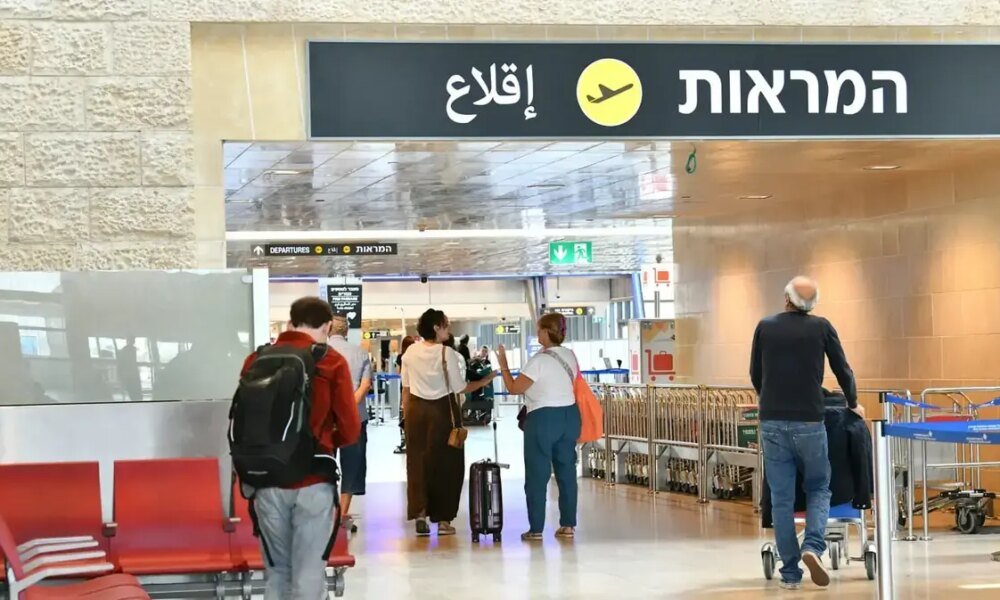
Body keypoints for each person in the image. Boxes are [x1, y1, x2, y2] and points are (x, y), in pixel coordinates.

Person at [241, 297, 360, 600]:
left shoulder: (256, 360)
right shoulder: (332, 362)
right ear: (328, 326)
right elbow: (350, 431)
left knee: (277, 572)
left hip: (266, 480)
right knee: (308, 575)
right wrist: (325, 438)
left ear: (291, 322)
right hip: (313, 482)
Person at [749, 276, 861, 591]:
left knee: (782, 498)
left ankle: (790, 573)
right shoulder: (822, 327)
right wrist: (853, 402)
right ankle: (813, 545)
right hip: (810, 421)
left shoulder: (765, 327)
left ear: (787, 298)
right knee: (819, 487)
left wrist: (767, 399)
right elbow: (843, 369)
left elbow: (755, 372)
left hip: (772, 420)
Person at [401, 309, 493, 537]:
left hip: (416, 412)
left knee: (417, 463)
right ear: (436, 327)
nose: (448, 329)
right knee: (447, 464)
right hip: (443, 413)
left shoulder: (410, 352)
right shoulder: (446, 353)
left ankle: (420, 515)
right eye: (445, 325)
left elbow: (406, 388)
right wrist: (484, 381)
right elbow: (460, 387)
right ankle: (443, 521)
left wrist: (405, 417)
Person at [497, 313, 581, 542]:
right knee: (566, 472)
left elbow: (514, 388)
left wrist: (503, 365)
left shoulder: (539, 360)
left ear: (545, 331)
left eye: (538, 330)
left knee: (537, 474)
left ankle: (536, 529)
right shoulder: (570, 355)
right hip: (569, 416)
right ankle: (568, 525)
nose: (537, 334)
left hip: (543, 418)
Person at [327, 314, 372, 533]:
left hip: (326, 419)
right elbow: (365, 385)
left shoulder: (319, 353)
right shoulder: (361, 353)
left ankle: (328, 512)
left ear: (328, 329)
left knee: (324, 464)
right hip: (355, 419)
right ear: (346, 331)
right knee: (352, 465)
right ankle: (343, 513)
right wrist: (348, 407)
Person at [394, 336, 416, 455]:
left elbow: (398, 372)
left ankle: (404, 440)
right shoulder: (416, 356)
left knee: (404, 414)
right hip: (416, 388)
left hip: (404, 387)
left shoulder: (400, 357)